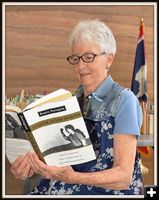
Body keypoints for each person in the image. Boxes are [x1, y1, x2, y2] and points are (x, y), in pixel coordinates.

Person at [10, 19, 143, 195]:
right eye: (76, 58)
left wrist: (72, 177)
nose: (81, 66)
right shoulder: (70, 101)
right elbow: (60, 161)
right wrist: (33, 166)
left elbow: (123, 177)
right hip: (59, 188)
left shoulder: (125, 100)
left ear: (109, 59)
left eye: (89, 57)